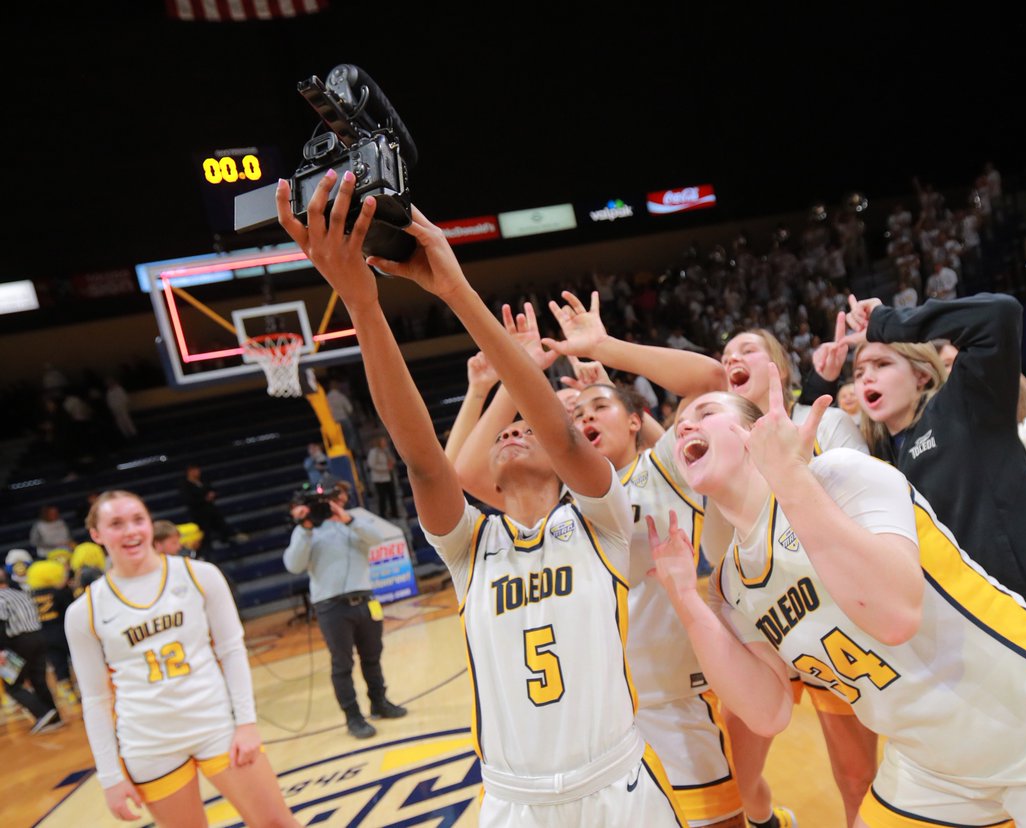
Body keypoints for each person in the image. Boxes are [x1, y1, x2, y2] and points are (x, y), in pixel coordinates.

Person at [274, 172, 686, 825]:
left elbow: (559, 428)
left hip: (617, 794)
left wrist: (456, 291)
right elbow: (425, 461)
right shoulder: (472, 546)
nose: (515, 428)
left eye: (528, 425)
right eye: (506, 428)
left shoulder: (602, 520)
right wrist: (363, 305)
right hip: (512, 803)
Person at [651, 366, 1026, 826]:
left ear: (757, 429)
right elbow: (766, 712)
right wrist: (683, 593)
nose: (685, 428)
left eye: (704, 413)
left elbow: (893, 617)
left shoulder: (836, 475)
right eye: (678, 425)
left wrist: (788, 476)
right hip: (934, 764)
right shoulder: (728, 586)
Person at [539, 296, 874, 827]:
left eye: (748, 349)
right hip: (756, 614)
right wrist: (619, 410)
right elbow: (664, 459)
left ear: (780, 368)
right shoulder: (701, 442)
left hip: (830, 613)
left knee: (856, 776)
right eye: (727, 350)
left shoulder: (821, 423)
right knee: (736, 783)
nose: (732, 358)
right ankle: (767, 820)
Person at [456, 377, 745, 827]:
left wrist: (605, 353)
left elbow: (706, 378)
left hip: (672, 699)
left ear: (636, 420)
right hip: (595, 722)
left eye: (600, 406)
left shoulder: (664, 465)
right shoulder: (561, 501)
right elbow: (463, 472)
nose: (585, 416)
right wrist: (498, 383)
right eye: (576, 413)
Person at [832, 293, 1026, 641]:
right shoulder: (881, 452)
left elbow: (999, 313)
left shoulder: (965, 404)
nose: (866, 378)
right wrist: (823, 379)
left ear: (922, 375)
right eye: (858, 371)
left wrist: (889, 323)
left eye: (882, 365)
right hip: (969, 626)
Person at [64, 490, 298, 827]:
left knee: (278, 824)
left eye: (138, 520)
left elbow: (231, 651)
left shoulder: (199, 575)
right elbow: (96, 699)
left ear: (149, 523)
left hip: (216, 726)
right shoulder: (83, 611)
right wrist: (110, 777)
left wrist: (246, 723)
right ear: (96, 535)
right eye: (116, 523)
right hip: (148, 744)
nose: (130, 531)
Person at [283, 488, 407, 739]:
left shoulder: (352, 521)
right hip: (332, 606)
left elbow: (377, 539)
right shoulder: (305, 530)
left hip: (365, 599)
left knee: (372, 655)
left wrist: (346, 518)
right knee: (342, 663)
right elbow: (293, 565)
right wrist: (306, 527)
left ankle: (379, 702)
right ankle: (353, 716)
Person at [0, 567, 63, 733]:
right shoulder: (21, 593)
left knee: (12, 685)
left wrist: (1, 650)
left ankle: (42, 713)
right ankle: (54, 717)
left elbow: (0, 624)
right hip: (39, 637)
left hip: (17, 643)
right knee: (38, 679)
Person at [26, 558, 77, 704]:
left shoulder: (31, 595)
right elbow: (70, 611)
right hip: (62, 631)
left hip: (43, 635)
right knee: (75, 659)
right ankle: (81, 686)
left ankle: (68, 692)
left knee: (57, 663)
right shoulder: (59, 592)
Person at [180, 465, 247, 554]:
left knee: (221, 525)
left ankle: (228, 539)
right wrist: (204, 499)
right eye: (194, 470)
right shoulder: (185, 485)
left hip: (211, 510)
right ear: (189, 472)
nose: (197, 472)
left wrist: (212, 495)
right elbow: (188, 500)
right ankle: (206, 552)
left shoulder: (203, 480)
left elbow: (212, 489)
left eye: (197, 470)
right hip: (199, 514)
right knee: (205, 534)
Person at [366, 436, 400, 519]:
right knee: (382, 497)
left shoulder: (386, 450)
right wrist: (386, 467)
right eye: (383, 441)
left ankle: (394, 513)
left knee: (392, 496)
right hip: (379, 479)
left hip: (388, 477)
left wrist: (392, 463)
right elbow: (372, 465)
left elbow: (392, 460)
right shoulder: (373, 452)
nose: (385, 443)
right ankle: (383, 515)